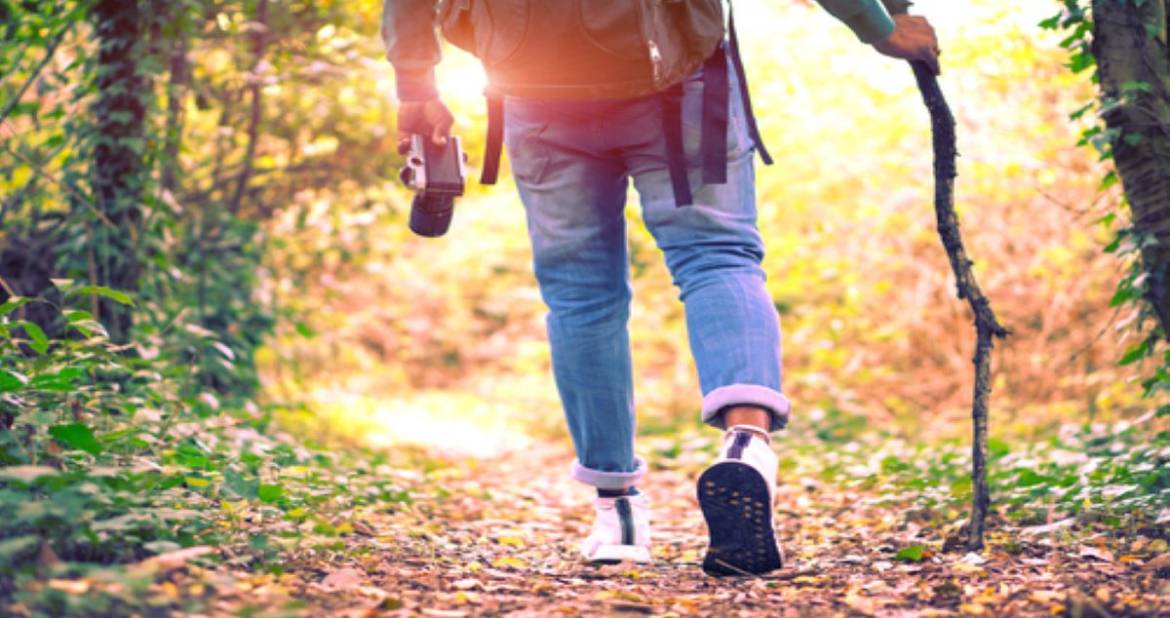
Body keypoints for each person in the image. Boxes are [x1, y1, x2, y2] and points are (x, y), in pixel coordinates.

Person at [382, 0, 939, 576]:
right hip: (675, 83)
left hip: (536, 88)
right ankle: (747, 444)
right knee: (716, 258)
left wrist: (415, 86)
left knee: (579, 295)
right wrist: (880, 26)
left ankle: (617, 515)